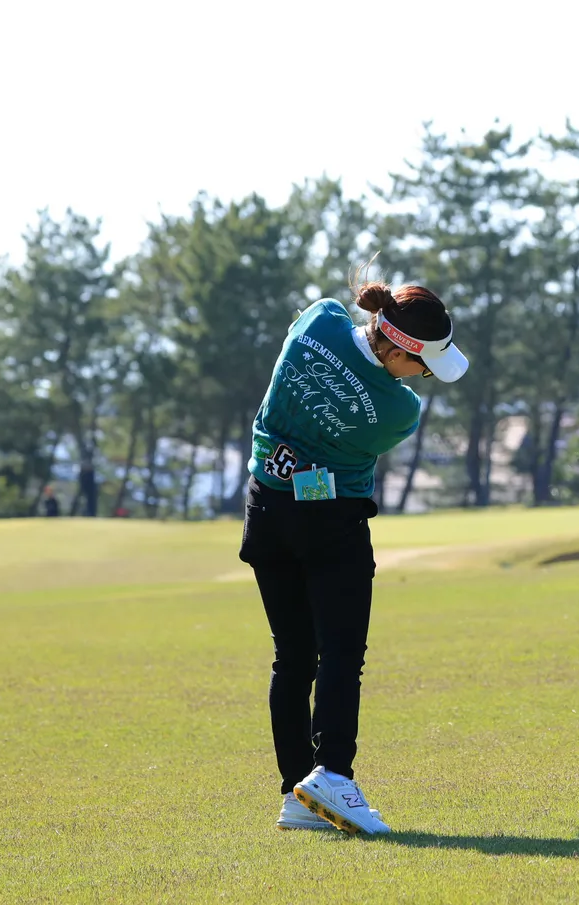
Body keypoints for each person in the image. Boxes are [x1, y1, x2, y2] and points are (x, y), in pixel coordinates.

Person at [238, 269, 467, 835]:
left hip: (265, 507)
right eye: (423, 366)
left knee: (292, 658)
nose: (423, 377)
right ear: (398, 350)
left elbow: (318, 346)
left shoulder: (320, 318)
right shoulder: (399, 411)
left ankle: (297, 792)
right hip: (331, 521)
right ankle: (334, 774)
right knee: (341, 653)